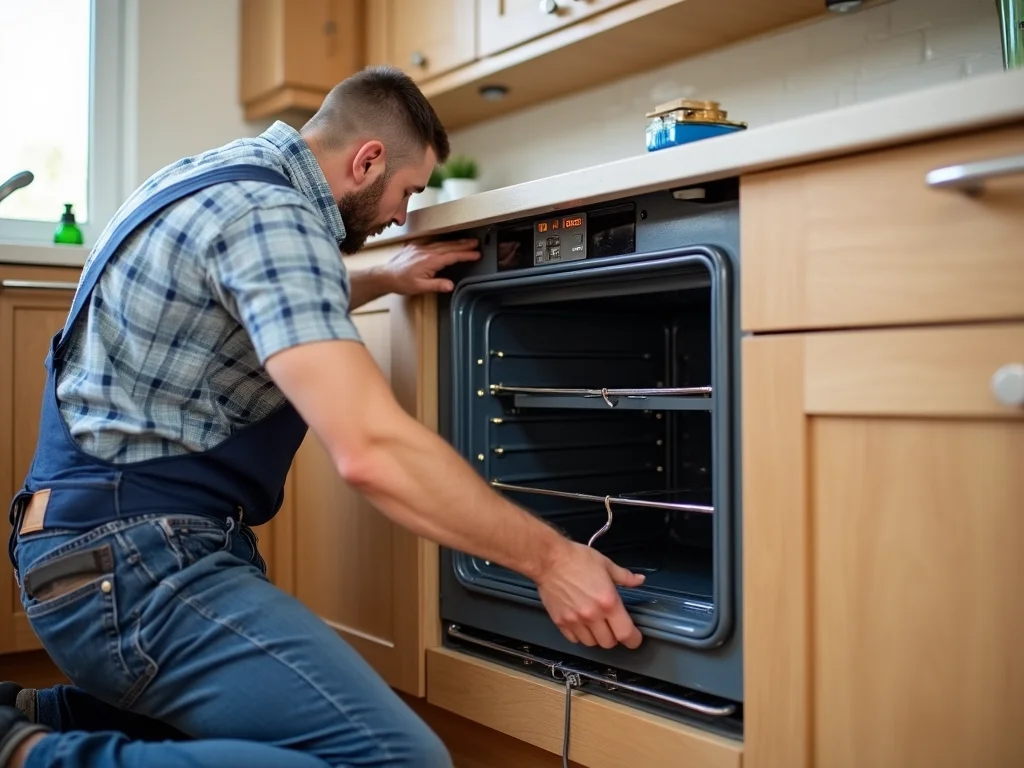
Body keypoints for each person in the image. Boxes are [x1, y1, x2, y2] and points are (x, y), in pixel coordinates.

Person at [0, 65, 645, 768]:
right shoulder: (274, 216)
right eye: (407, 191)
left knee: (255, 738)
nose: (402, 214)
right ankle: (32, 756)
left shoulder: (221, 178)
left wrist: (378, 275)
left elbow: (256, 283)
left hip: (79, 553)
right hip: (131, 566)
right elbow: (372, 450)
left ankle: (38, 712)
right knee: (394, 761)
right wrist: (552, 560)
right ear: (367, 160)